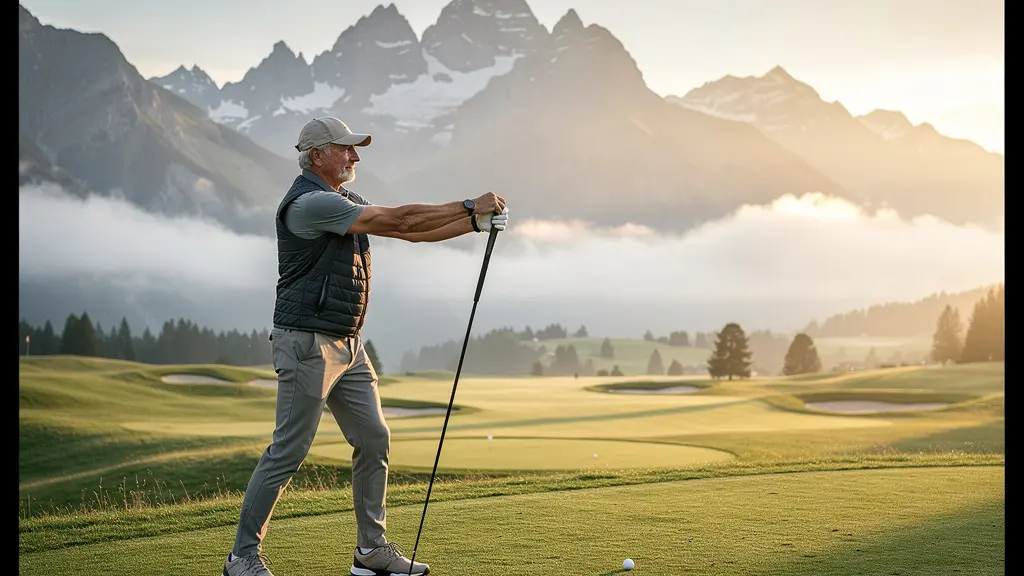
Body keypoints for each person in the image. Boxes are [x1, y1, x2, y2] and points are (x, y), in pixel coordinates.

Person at [223, 117, 509, 576]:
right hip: (307, 342)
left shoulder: (342, 200)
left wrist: (473, 223)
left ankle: (370, 551)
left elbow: (410, 231)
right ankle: (242, 557)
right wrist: (467, 204)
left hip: (348, 345)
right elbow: (399, 218)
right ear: (318, 156)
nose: (356, 156)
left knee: (374, 437)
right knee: (289, 451)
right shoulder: (310, 203)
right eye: (346, 148)